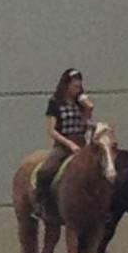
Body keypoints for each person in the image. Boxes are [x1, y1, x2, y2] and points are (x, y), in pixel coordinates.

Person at [34, 68, 94, 218]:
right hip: (64, 143)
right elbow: (52, 130)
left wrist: (88, 110)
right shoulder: (55, 103)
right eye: (75, 87)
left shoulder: (79, 103)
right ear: (66, 86)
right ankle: (41, 203)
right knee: (46, 171)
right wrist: (69, 144)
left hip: (81, 141)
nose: (77, 90)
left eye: (79, 87)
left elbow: (84, 124)